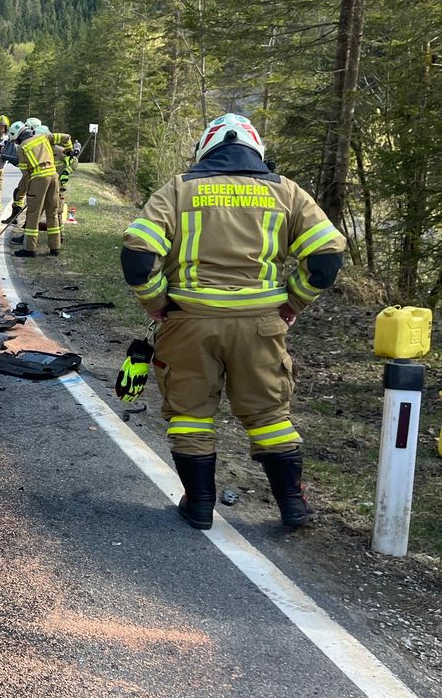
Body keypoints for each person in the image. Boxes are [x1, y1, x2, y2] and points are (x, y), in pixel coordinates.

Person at [120, 113, 346, 531]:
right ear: (257, 151)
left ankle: (200, 504)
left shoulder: (179, 189)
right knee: (269, 416)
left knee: (190, 414)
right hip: (261, 325)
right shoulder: (287, 193)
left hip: (188, 322)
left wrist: (156, 302)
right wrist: (293, 300)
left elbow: (137, 255)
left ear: (206, 149)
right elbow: (326, 258)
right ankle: (293, 506)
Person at [4, 121, 72, 257]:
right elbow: (66, 137)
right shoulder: (44, 137)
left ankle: (30, 249)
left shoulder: (22, 148)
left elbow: (25, 172)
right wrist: (69, 150)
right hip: (54, 176)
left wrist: (30, 191)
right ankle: (55, 247)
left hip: (38, 179)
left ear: (17, 137)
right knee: (52, 212)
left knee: (33, 214)